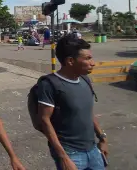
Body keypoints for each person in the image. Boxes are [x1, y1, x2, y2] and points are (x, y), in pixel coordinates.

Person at [37, 34, 107, 170]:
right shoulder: (50, 84)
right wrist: (63, 157)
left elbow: (88, 112)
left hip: (93, 149)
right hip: (71, 153)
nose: (93, 63)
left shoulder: (85, 80)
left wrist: (102, 137)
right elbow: (44, 120)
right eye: (88, 58)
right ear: (70, 61)